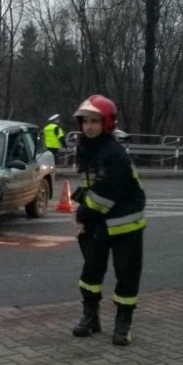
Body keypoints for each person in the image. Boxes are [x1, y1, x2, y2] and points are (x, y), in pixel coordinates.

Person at [70, 95, 146, 346]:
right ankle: (90, 317)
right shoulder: (84, 148)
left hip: (125, 224)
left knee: (126, 274)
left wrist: (82, 214)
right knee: (90, 272)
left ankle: (123, 324)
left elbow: (104, 196)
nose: (89, 126)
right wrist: (80, 205)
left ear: (107, 123)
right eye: (85, 121)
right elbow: (88, 185)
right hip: (98, 223)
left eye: (95, 121)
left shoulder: (114, 154)